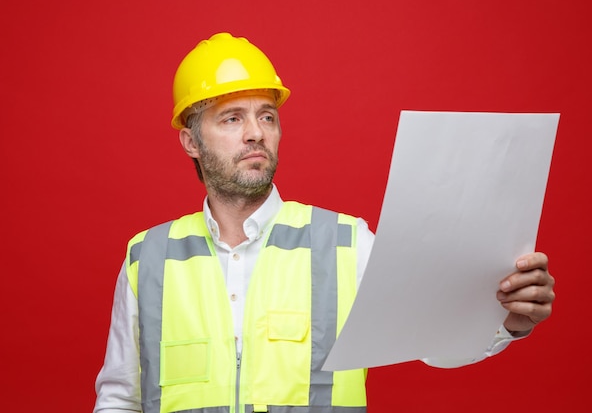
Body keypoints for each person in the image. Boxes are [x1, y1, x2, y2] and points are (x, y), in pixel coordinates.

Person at [93, 32, 555, 413]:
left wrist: (507, 323)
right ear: (190, 141)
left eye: (266, 116)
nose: (256, 132)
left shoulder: (347, 244)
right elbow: (119, 398)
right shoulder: (147, 259)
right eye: (232, 118)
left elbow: (436, 344)